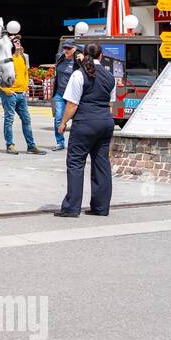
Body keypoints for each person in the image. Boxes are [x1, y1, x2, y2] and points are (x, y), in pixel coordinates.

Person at [54, 43, 115, 217]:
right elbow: (110, 102)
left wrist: (63, 122)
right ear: (101, 56)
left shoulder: (78, 74)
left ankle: (71, 207)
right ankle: (101, 208)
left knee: (75, 163)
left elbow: (72, 104)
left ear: (84, 54)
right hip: (105, 122)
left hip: (85, 122)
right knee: (101, 164)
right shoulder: (110, 76)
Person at [0, 37, 43, 155]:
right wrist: (5, 90)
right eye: (15, 42)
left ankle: (31, 146)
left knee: (26, 119)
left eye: (19, 42)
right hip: (10, 94)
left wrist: (25, 89)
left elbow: (25, 74)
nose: (18, 44)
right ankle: (10, 145)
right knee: (9, 119)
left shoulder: (23, 57)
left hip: (21, 94)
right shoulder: (6, 59)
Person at [52, 41, 79, 151]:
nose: (66, 50)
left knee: (76, 120)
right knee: (58, 118)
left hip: (72, 95)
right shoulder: (60, 57)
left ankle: (75, 143)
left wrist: (80, 54)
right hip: (59, 93)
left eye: (69, 48)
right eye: (65, 48)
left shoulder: (78, 61)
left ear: (74, 49)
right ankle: (60, 142)